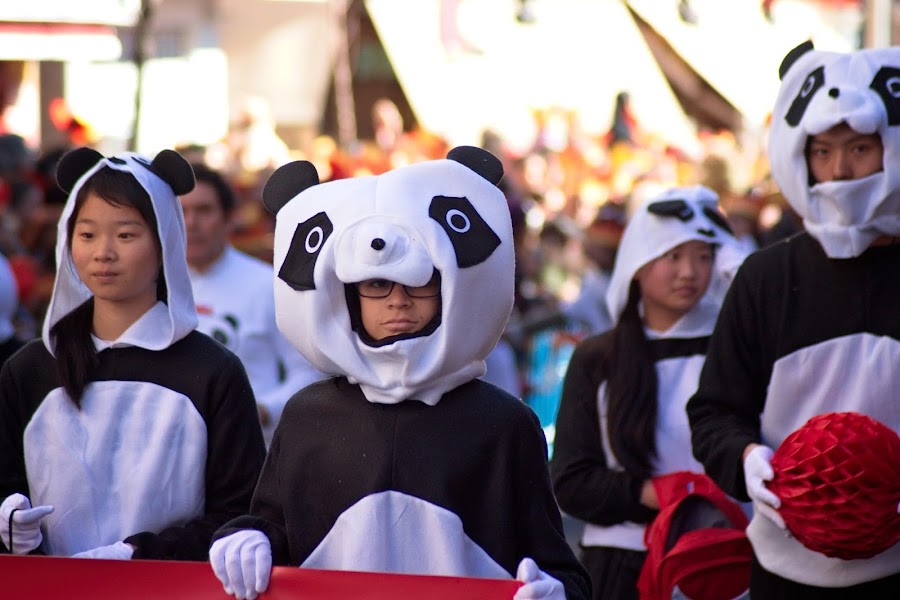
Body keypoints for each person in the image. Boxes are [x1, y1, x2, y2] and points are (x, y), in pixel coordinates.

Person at [208, 146, 591, 600]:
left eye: (418, 280)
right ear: (347, 295)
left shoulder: (504, 424)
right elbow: (275, 522)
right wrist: (249, 537)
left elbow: (558, 563)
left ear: (449, 282)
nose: (397, 301)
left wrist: (557, 591)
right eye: (375, 285)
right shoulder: (307, 416)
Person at [687, 42, 900, 598]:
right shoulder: (765, 278)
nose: (839, 171)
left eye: (859, 148)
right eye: (822, 151)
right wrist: (746, 457)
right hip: (784, 568)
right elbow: (714, 412)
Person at [0, 147, 266, 560]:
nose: (103, 252)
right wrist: (9, 527)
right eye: (86, 234)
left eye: (125, 235)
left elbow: (241, 514)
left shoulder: (212, 371)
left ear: (164, 244)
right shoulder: (30, 369)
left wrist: (138, 555)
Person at [551, 185, 744, 600]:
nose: (689, 272)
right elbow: (570, 479)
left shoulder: (734, 347)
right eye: (673, 256)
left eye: (704, 256)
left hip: (720, 554)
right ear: (638, 263)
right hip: (623, 564)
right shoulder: (598, 358)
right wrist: (655, 494)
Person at [180, 162, 326, 443]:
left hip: (252, 450)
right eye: (181, 211)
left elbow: (310, 372)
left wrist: (262, 410)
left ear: (229, 217)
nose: (191, 223)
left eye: (204, 210)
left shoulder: (269, 286)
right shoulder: (153, 286)